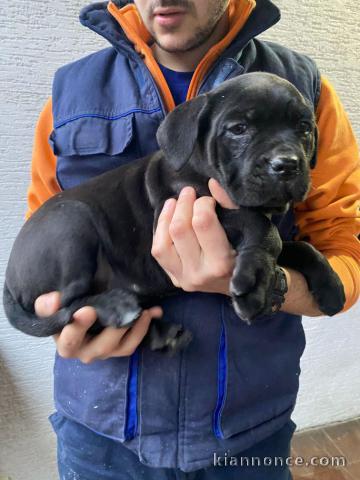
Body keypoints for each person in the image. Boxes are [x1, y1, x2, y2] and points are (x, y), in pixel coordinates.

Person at [27, 0, 360, 478]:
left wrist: (275, 285)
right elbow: (42, 240)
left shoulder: (306, 90)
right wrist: (63, 324)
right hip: (100, 431)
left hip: (246, 430)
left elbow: (345, 252)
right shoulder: (70, 98)